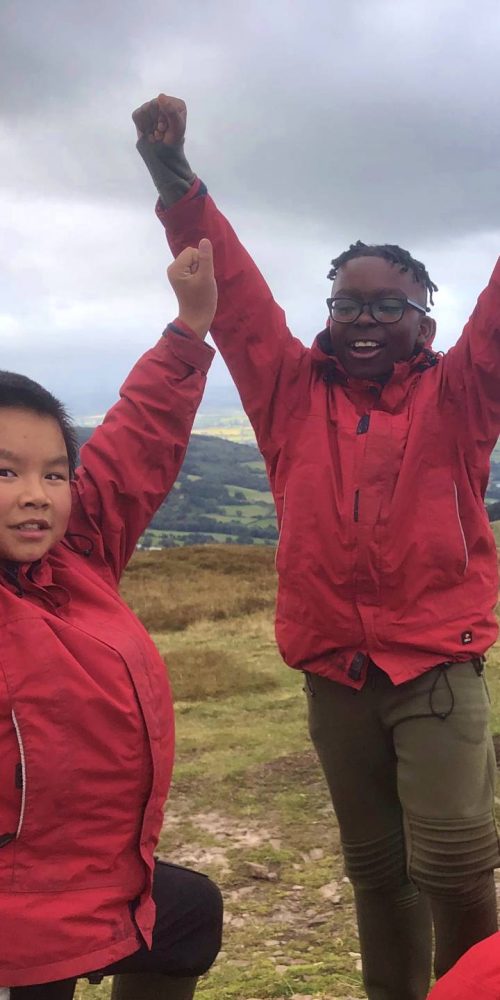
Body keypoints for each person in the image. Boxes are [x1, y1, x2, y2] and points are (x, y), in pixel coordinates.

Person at [133, 93, 500, 1000]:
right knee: (376, 871)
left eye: (388, 304)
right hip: (334, 673)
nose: (364, 319)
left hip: (435, 667)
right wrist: (173, 176)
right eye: (347, 303)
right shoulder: (288, 390)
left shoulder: (459, 394)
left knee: (455, 864)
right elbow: (239, 300)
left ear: (425, 322)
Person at [0, 239, 223, 1000]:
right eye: (5, 471)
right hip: (18, 910)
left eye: (54, 472)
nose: (36, 493)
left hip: (81, 885)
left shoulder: (73, 558)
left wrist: (189, 329)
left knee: (190, 918)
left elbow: (133, 449)